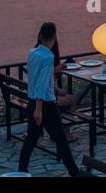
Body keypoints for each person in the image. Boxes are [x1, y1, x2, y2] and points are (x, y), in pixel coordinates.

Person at [17, 22, 81, 176]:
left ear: (40, 36)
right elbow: (41, 84)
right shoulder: (48, 57)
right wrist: (39, 110)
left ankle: (21, 170)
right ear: (55, 38)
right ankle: (74, 173)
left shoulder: (33, 53)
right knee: (61, 141)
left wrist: (54, 89)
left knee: (31, 139)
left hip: (32, 102)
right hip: (45, 106)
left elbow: (37, 78)